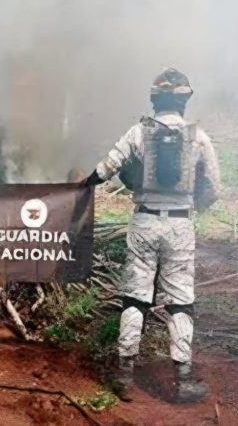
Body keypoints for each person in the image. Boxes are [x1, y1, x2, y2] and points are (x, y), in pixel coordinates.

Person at [84, 67, 220, 403]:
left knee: (135, 297)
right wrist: (193, 207)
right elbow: (213, 188)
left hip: (143, 223)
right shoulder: (199, 137)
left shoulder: (138, 133)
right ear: (184, 102)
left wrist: (78, 189)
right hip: (180, 225)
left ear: (155, 100)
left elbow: (104, 170)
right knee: (180, 300)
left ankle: (125, 375)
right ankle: (182, 379)